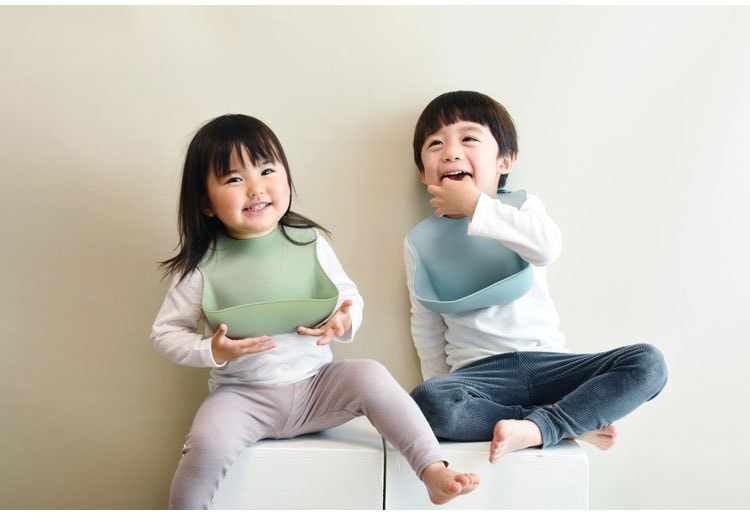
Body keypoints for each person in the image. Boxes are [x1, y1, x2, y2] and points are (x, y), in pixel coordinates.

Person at [151, 114, 479, 509]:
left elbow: (348, 295)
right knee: (205, 444)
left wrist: (342, 319)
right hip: (243, 397)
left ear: (287, 178)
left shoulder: (308, 241)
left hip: (317, 387)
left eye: (267, 170)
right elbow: (166, 333)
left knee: (371, 375)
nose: (255, 188)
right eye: (234, 179)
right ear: (205, 202)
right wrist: (211, 350)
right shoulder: (201, 265)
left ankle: (432, 470)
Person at [404, 90, 668, 464]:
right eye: (435, 144)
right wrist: (441, 386)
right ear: (422, 172)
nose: (450, 152)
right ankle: (558, 422)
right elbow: (426, 326)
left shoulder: (522, 207)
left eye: (468, 138)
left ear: (505, 161)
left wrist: (477, 206)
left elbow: (547, 248)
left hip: (549, 365)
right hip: (482, 376)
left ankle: (543, 426)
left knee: (648, 363)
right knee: (427, 402)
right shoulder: (419, 242)